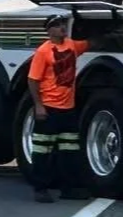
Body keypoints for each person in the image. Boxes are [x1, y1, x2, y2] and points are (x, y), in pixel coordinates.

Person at [27, 14, 90, 203]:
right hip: (49, 108)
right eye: (57, 25)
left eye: (63, 23)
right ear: (49, 30)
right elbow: (32, 80)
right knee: (42, 151)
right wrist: (39, 106)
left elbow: (89, 44)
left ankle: (69, 188)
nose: (62, 27)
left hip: (68, 109)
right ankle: (40, 189)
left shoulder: (71, 45)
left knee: (69, 150)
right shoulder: (43, 51)